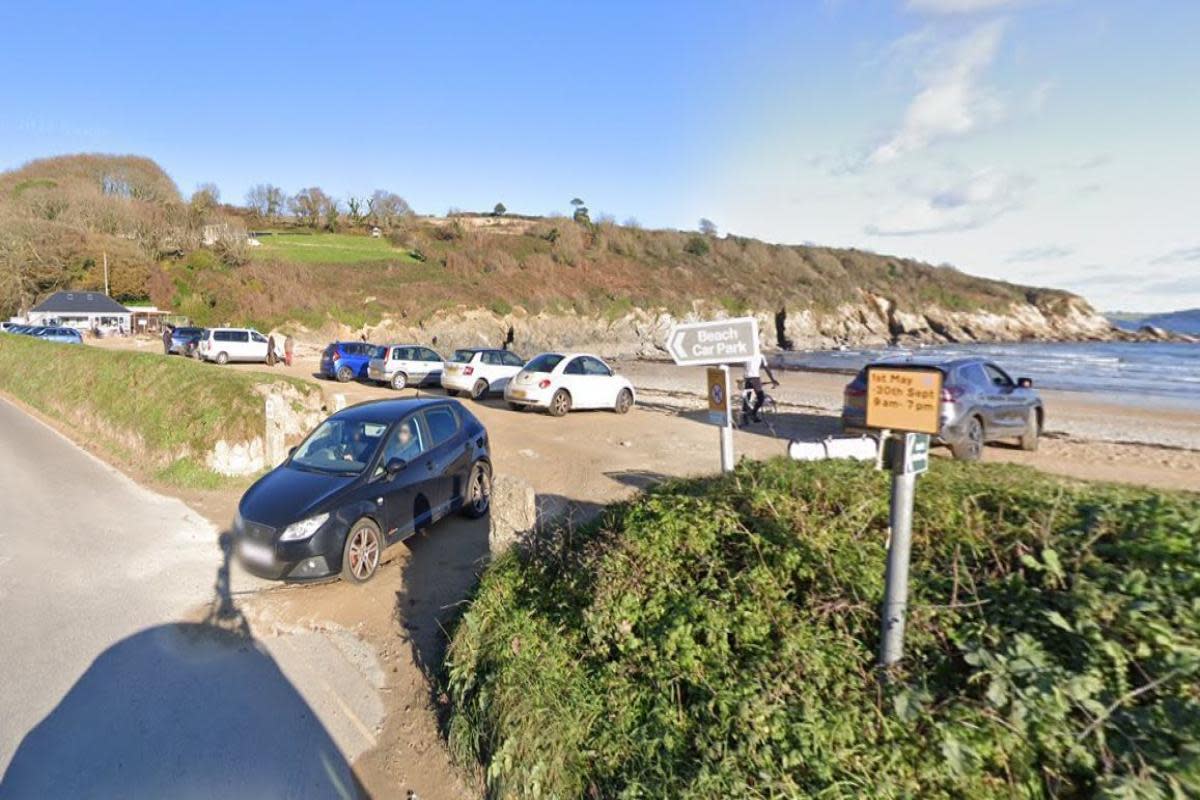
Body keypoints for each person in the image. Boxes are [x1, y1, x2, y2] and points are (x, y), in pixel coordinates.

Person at [742, 352, 778, 424]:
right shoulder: (760, 355)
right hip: (755, 378)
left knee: (747, 398)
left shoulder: (747, 354)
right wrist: (772, 380)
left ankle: (745, 418)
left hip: (747, 378)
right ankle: (753, 413)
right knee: (761, 397)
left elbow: (745, 365)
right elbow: (766, 368)